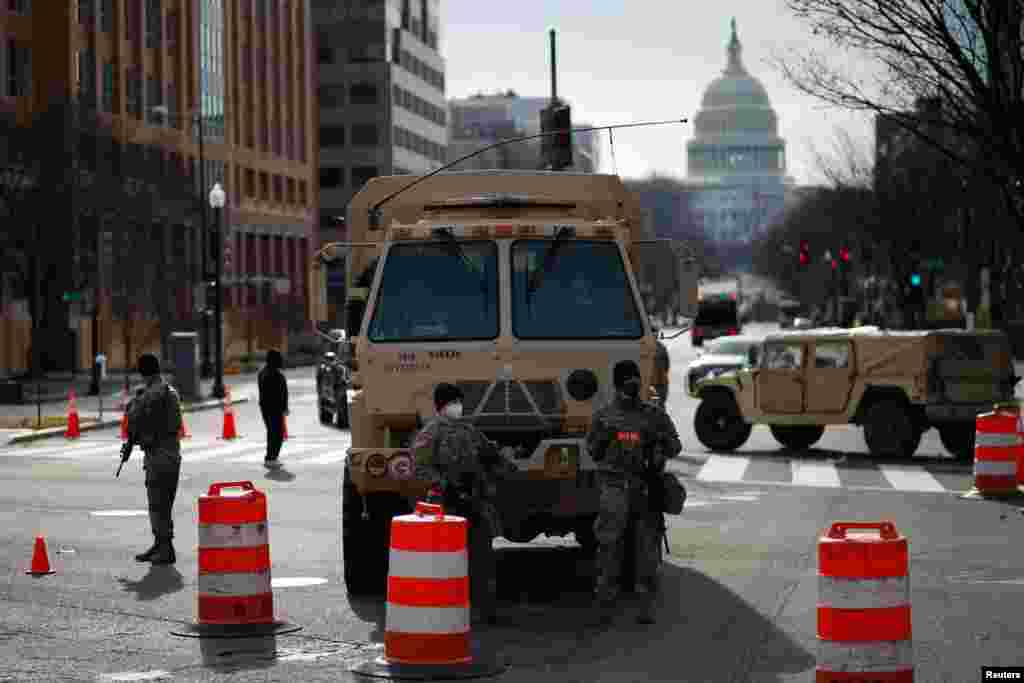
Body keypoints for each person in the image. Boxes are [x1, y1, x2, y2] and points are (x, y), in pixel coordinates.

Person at [586, 359, 682, 625]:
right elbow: (593, 451)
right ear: (617, 385)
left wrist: (659, 444)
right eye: (627, 381)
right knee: (609, 547)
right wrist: (606, 437)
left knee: (646, 549)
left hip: (644, 488)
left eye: (635, 379)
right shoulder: (603, 417)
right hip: (614, 487)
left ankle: (645, 605)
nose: (632, 385)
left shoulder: (654, 415)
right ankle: (605, 603)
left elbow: (675, 446)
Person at [411, 383, 507, 625]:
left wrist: (499, 464)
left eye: (458, 402)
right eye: (453, 402)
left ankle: (485, 610)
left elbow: (491, 455)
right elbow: (419, 467)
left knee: (482, 558)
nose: (457, 407)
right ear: (442, 405)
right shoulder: (431, 432)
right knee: (447, 562)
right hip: (446, 504)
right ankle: (447, 613)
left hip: (474, 502)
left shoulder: (469, 430)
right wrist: (443, 484)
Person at [126, 353, 183, 565]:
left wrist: (135, 402)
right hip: (170, 454)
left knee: (157, 504)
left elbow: (132, 417)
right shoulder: (170, 392)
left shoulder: (148, 395)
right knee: (163, 504)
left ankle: (165, 549)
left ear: (143, 373)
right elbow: (176, 425)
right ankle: (160, 545)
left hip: (158, 455)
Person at [258, 349, 289, 468]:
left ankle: (270, 457)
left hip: (265, 408)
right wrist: (284, 408)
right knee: (277, 434)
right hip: (275, 409)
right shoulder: (277, 375)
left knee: (272, 432)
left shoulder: (262, 372)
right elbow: (282, 394)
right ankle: (271, 457)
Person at [653, 338, 670, 408]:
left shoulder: (661, 347)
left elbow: (666, 365)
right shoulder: (661, 347)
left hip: (660, 382)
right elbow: (666, 365)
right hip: (659, 382)